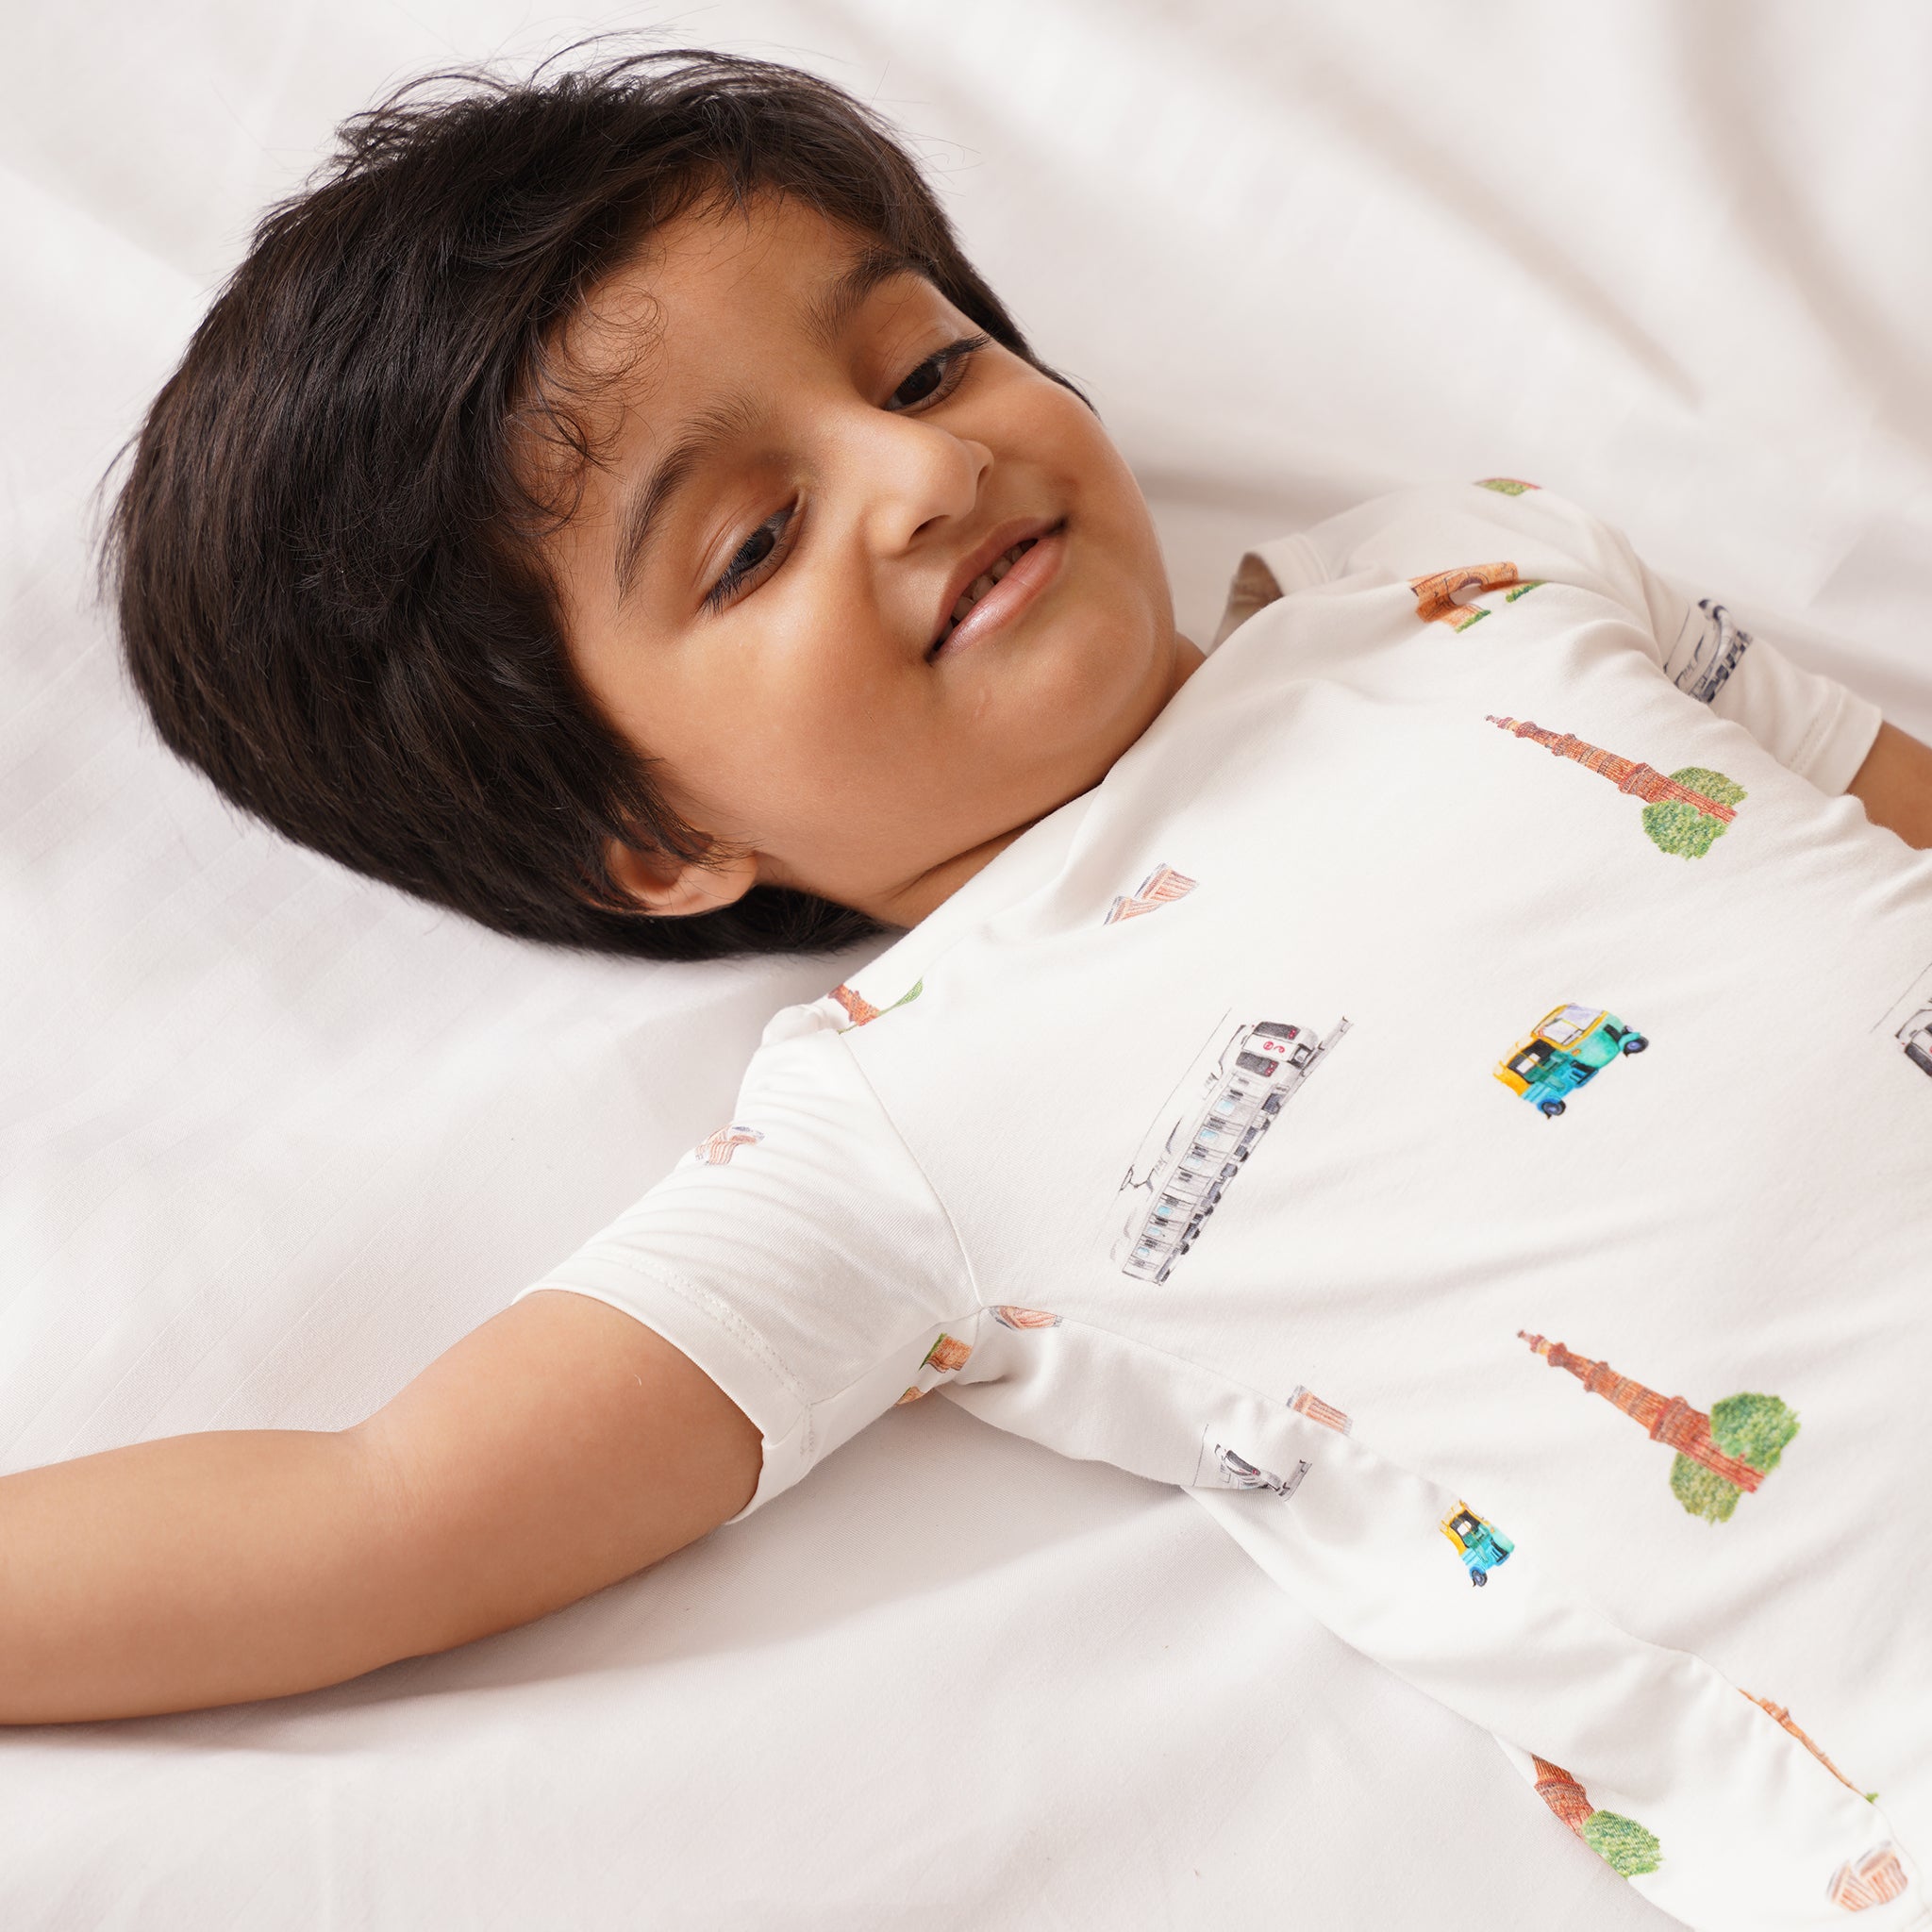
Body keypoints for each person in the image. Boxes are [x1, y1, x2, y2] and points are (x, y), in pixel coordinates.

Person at [35, 44, 1932, 1928]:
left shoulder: (1476, 575)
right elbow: (382, 1513)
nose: (927, 467)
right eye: (752, 542)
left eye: (924, 368)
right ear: (656, 841)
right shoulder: (901, 1121)